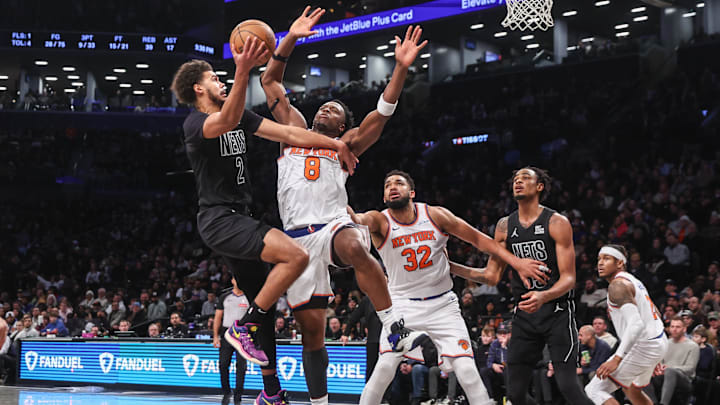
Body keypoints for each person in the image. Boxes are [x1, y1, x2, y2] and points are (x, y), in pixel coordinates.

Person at [171, 29, 358, 405]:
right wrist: (242, 72)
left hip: (240, 216)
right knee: (296, 256)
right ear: (197, 89)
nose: (220, 80)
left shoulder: (243, 117)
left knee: (266, 304)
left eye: (222, 76)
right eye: (213, 78)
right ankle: (242, 327)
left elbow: (291, 132)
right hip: (220, 219)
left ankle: (271, 391)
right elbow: (222, 123)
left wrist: (335, 143)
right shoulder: (195, 124)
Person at [260, 8, 428, 405]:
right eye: (324, 106)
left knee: (354, 245)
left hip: (333, 225)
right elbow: (269, 80)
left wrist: (400, 70)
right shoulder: (292, 132)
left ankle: (393, 324)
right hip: (295, 242)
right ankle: (319, 403)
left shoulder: (348, 144)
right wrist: (292, 37)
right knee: (312, 334)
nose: (325, 109)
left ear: (341, 128)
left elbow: (380, 116)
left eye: (334, 110)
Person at [351, 170, 545, 405]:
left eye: (399, 183)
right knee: (384, 368)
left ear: (411, 192)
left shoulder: (435, 215)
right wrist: (345, 213)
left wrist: (517, 263)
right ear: (384, 197)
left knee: (467, 371)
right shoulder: (380, 220)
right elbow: (359, 219)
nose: (392, 187)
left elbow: (480, 240)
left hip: (443, 306)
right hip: (402, 307)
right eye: (387, 185)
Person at [453, 167, 593, 405]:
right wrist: (450, 267)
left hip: (557, 312)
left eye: (525, 178)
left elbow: (569, 279)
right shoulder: (505, 226)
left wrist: (543, 296)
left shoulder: (557, 222)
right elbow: (491, 276)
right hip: (525, 316)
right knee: (515, 393)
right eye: (516, 179)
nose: (518, 182)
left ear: (540, 187)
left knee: (568, 387)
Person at [584, 244, 668, 405]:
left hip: (644, 345)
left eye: (606, 259)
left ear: (620, 263)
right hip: (657, 341)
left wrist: (616, 358)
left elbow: (636, 325)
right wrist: (657, 355)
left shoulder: (617, 285)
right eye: (599, 259)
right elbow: (656, 313)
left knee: (594, 390)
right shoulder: (634, 281)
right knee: (630, 388)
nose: (600, 263)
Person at [643, 317, 699, 405]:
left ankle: (663, 403)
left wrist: (669, 368)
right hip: (664, 376)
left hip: (685, 380)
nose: (674, 329)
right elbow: (660, 362)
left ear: (684, 329)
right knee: (646, 370)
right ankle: (651, 403)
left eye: (677, 327)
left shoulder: (693, 346)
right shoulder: (666, 343)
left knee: (670, 371)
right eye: (672, 327)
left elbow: (690, 368)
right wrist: (659, 369)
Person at [214, 277, 249, 405]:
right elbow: (218, 317)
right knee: (223, 364)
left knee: (242, 367)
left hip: (243, 335)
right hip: (227, 334)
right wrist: (215, 336)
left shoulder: (249, 297)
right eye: (236, 278)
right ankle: (226, 392)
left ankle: (238, 395)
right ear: (232, 281)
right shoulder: (225, 297)